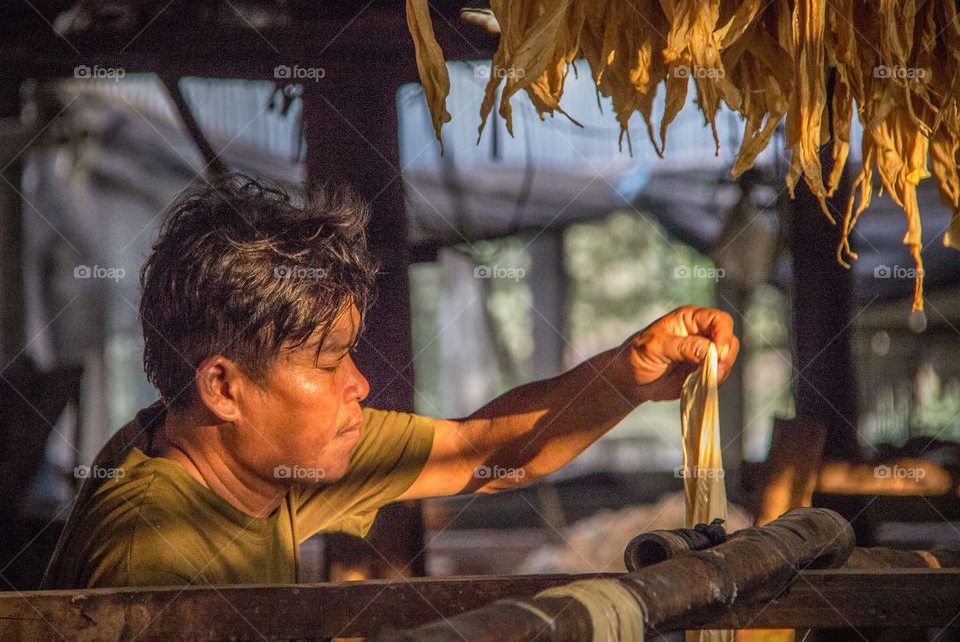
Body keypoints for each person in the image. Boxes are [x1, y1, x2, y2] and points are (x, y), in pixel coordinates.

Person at [42, 174, 739, 588]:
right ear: (223, 388)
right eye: (327, 362)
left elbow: (482, 453)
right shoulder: (153, 551)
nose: (360, 385)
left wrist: (626, 374)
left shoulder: (257, 461)